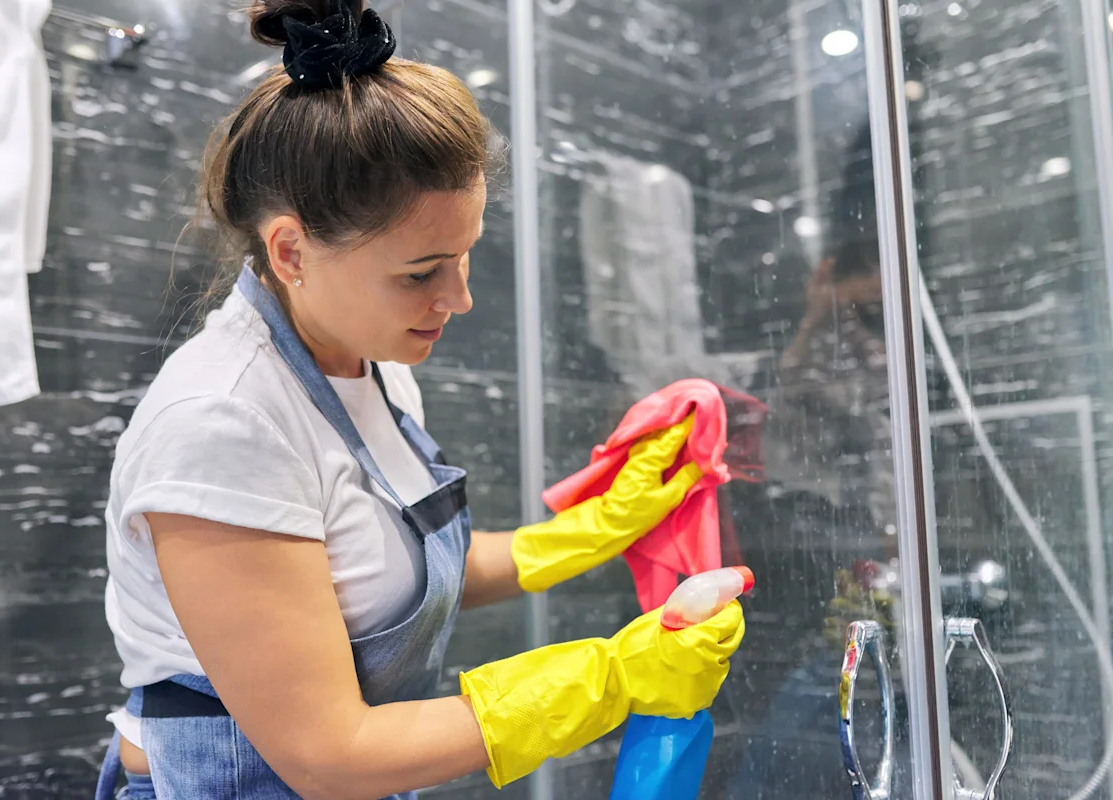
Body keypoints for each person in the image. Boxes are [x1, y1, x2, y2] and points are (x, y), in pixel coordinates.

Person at [92, 1, 746, 798]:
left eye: (464, 256)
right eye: (420, 272)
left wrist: (597, 528)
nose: (459, 298)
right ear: (290, 251)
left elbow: (388, 574)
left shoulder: (371, 360)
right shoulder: (223, 424)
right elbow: (329, 755)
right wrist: (609, 679)